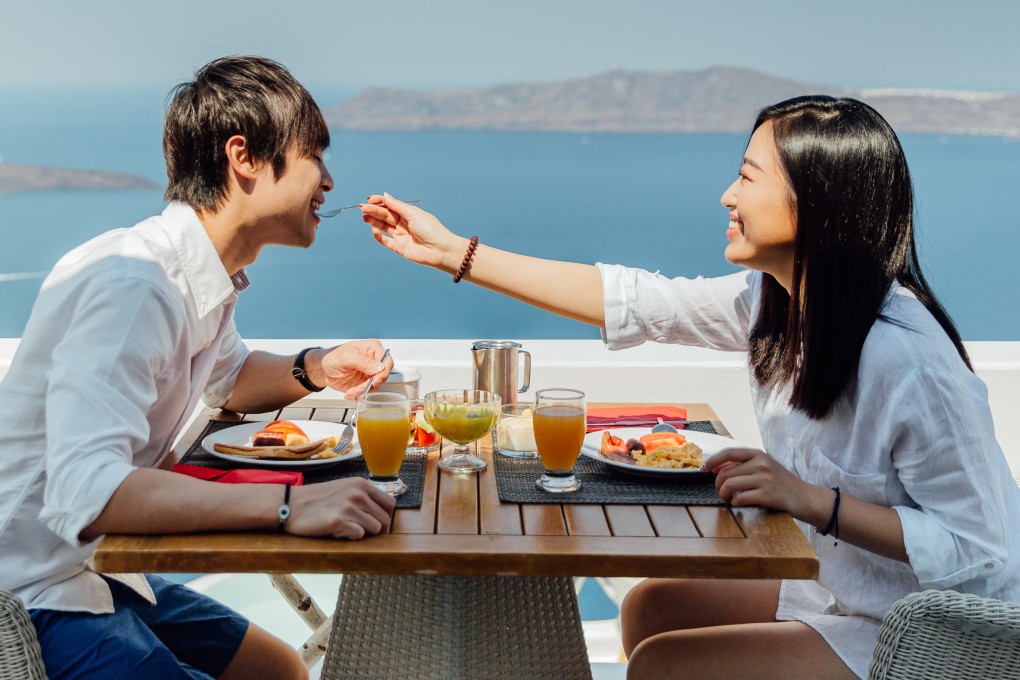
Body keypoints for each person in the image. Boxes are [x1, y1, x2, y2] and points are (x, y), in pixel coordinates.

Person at [358, 95, 1020, 679]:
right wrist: (453, 253)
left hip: (939, 635)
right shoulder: (776, 301)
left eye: (748, 177)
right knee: (651, 606)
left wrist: (809, 500)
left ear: (816, 203)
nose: (728, 196)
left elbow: (980, 551)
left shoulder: (908, 359)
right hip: (846, 590)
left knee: (664, 666)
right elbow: (640, 301)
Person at [0, 56, 398, 680]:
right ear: (244, 156)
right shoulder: (137, 284)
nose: (328, 181)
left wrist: (319, 366)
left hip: (92, 567)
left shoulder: (198, 275)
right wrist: (290, 507)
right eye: (315, 156)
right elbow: (87, 491)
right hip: (28, 589)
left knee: (281, 669)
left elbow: (229, 377)